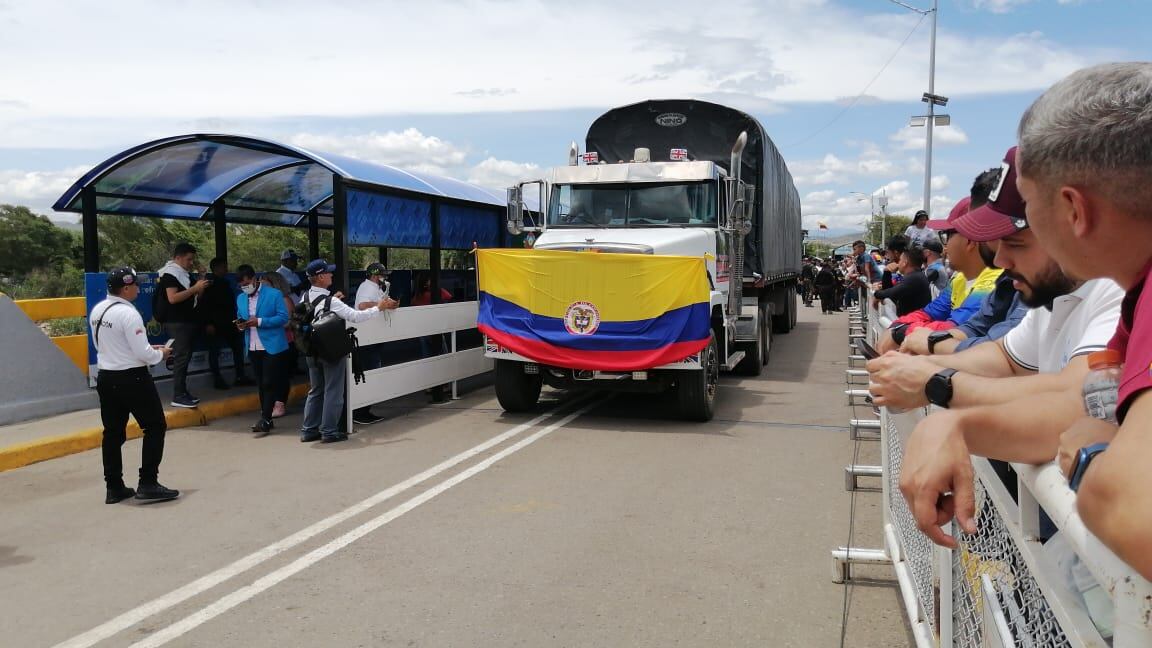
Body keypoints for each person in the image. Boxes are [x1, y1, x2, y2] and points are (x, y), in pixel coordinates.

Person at [876, 143, 1123, 550]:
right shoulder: (1058, 292)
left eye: (1018, 242)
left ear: (1075, 219)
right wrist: (925, 370)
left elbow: (1078, 401)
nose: (1001, 259)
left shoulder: (1118, 290)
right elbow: (1005, 357)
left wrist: (939, 388)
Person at [1010, 62, 1152, 580]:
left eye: (1029, 203)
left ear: (1074, 209)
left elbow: (1132, 510)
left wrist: (1095, 454)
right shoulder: (1136, 295)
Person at [89, 267, 179, 504]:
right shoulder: (129, 314)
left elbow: (111, 346)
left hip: (106, 376)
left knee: (112, 433)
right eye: (136, 284)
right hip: (132, 378)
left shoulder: (98, 310)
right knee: (155, 426)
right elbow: (144, 354)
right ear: (126, 288)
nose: (138, 288)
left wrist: (149, 350)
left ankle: (114, 487)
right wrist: (161, 354)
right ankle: (148, 482)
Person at [299, 259, 398, 443]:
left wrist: (334, 300)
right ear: (320, 277)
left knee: (316, 390)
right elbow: (356, 316)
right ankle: (329, 431)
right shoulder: (331, 301)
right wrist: (378, 308)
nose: (331, 274)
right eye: (328, 272)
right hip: (330, 351)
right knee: (333, 391)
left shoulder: (305, 297)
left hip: (311, 350)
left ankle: (309, 430)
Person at [234, 265, 290, 438]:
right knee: (260, 383)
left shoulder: (274, 294)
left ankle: (265, 419)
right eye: (241, 285)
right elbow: (240, 315)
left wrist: (259, 321)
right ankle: (266, 417)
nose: (245, 287)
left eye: (247, 283)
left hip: (272, 345)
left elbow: (283, 317)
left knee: (268, 381)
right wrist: (241, 324)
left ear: (254, 279)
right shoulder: (240, 298)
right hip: (252, 345)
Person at [157, 242, 210, 409]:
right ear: (178, 257)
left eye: (193, 260)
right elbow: (173, 298)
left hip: (188, 320)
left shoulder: (185, 275)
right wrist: (194, 288)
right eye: (188, 259)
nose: (191, 263)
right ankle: (178, 395)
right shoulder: (170, 274)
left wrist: (201, 277)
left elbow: (198, 295)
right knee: (181, 357)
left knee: (185, 357)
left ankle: (183, 392)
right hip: (177, 322)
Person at [199, 257, 252, 390]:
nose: (226, 269)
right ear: (216, 268)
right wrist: (208, 323)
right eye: (224, 266)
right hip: (214, 323)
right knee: (214, 351)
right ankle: (217, 379)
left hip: (229, 322)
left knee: (237, 348)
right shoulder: (208, 283)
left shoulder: (225, 282)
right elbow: (204, 305)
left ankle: (240, 376)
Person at [352, 262, 391, 424]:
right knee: (368, 373)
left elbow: (382, 303)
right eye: (382, 275)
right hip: (366, 339)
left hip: (373, 338)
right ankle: (360, 412)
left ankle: (363, 410)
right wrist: (381, 305)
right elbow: (362, 305)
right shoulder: (367, 287)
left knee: (372, 372)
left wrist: (390, 304)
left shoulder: (377, 288)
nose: (384, 278)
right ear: (375, 275)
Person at [258, 270, 297, 418]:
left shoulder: (284, 299)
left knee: (281, 375)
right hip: (269, 343)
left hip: (285, 342)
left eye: (264, 283)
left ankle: (280, 403)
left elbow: (287, 322)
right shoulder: (263, 299)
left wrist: (266, 322)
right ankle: (270, 404)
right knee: (269, 376)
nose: (261, 286)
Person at [874, 245, 932, 316]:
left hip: (913, 321)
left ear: (905, 262)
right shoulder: (915, 276)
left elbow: (891, 293)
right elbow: (889, 291)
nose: (898, 263)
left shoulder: (914, 278)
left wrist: (876, 293)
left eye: (900, 260)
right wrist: (887, 272)